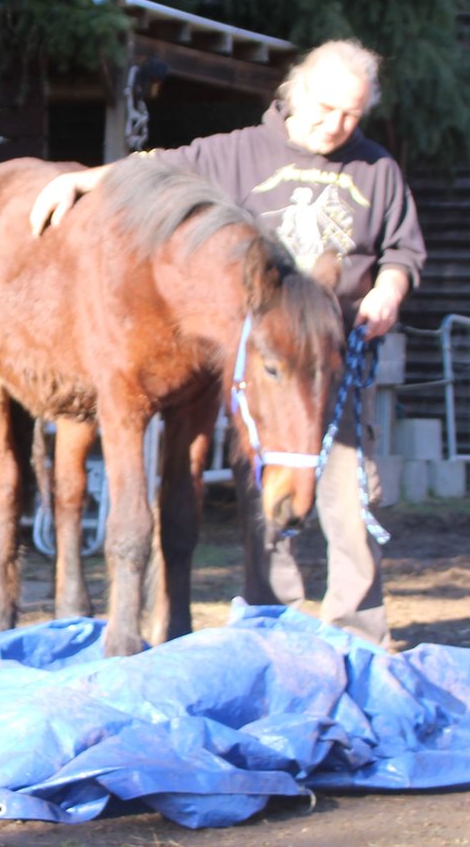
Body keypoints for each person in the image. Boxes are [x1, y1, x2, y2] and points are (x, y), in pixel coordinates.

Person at [29, 39, 426, 647]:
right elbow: (154, 170)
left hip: (329, 361)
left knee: (347, 498)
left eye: (350, 114)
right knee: (265, 500)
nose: (335, 124)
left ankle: (360, 634)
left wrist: (389, 289)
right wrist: (85, 182)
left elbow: (402, 251)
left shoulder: (378, 170)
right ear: (295, 93)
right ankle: (274, 627)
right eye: (324, 109)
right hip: (264, 362)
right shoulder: (238, 153)